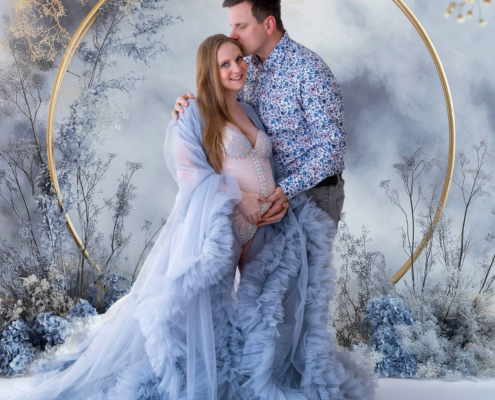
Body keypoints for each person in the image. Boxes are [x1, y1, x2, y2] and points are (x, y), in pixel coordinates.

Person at [2, 34, 375, 400]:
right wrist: (240, 197)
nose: (236, 68)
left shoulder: (250, 109)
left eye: (239, 59)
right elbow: (190, 172)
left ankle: (262, 376)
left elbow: (269, 163)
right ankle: (204, 379)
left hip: (264, 224)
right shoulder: (195, 113)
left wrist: (278, 197)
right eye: (224, 64)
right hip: (222, 225)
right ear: (209, 71)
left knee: (267, 309)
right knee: (206, 311)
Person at [173, 0, 346, 232]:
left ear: (269, 25)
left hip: (314, 194)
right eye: (232, 26)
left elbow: (333, 148)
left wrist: (286, 190)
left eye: (241, 26)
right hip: (264, 200)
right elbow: (225, 109)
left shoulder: (309, 70)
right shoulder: (245, 67)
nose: (233, 35)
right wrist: (192, 106)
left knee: (307, 258)